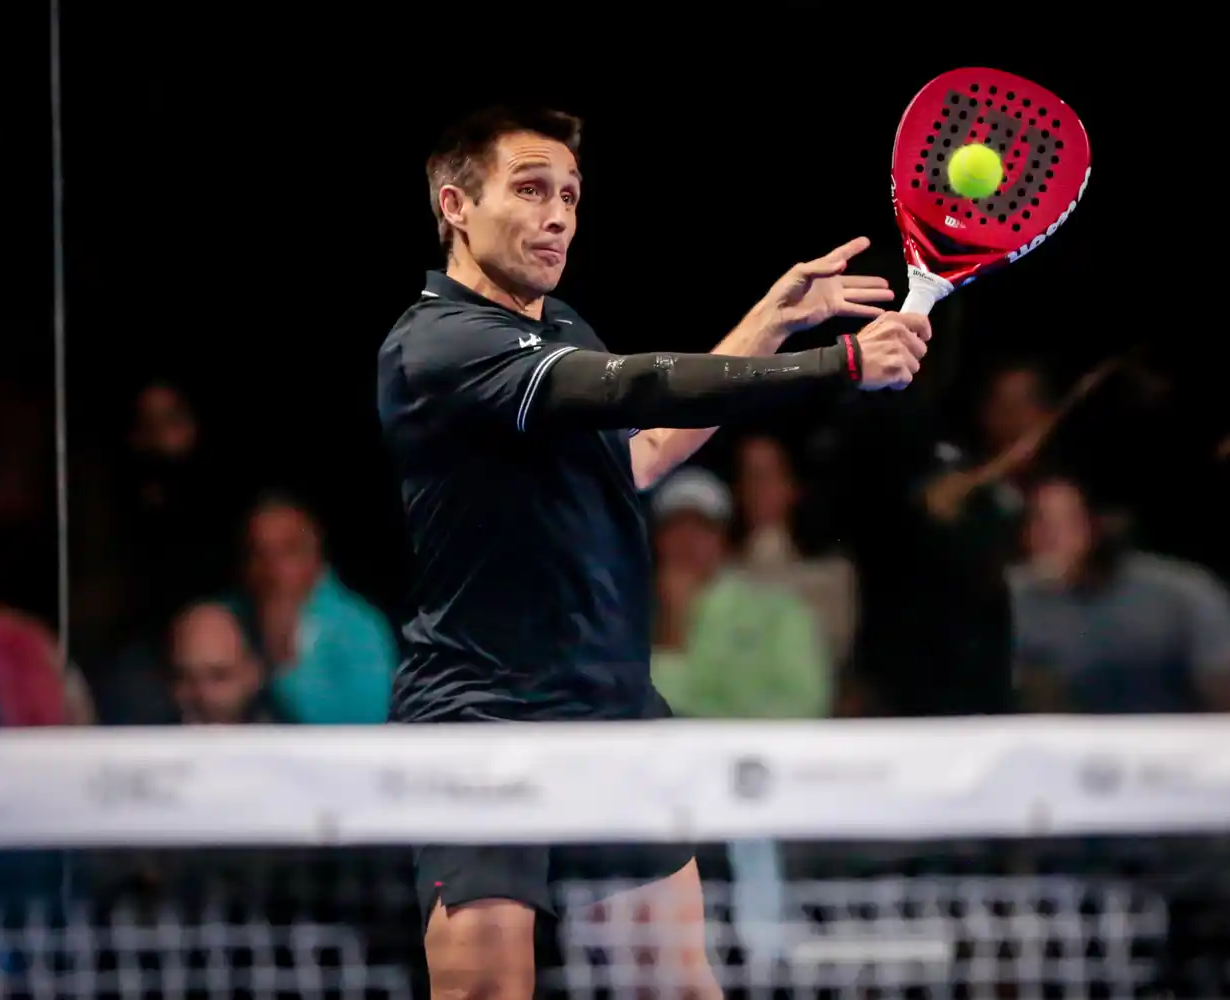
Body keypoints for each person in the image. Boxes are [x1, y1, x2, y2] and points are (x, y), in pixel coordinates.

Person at [376, 106, 931, 1000]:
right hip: (482, 717)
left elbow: (639, 452)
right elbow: (636, 384)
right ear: (456, 205)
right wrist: (841, 364)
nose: (558, 216)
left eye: (570, 196)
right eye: (530, 190)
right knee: (488, 991)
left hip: (609, 706)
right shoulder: (439, 342)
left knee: (678, 985)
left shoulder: (563, 326)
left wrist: (768, 325)